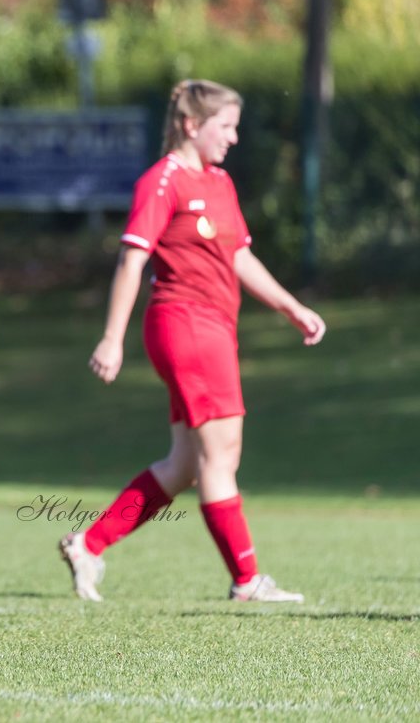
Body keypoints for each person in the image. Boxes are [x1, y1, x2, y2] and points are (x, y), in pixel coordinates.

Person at [60, 79, 326, 604]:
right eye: (224, 127)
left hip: (213, 330)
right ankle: (247, 579)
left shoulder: (220, 183)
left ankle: (88, 544)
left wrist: (290, 307)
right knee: (221, 455)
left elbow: (240, 257)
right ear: (191, 124)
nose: (232, 138)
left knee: (185, 464)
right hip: (186, 325)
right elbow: (133, 259)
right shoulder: (163, 182)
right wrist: (112, 337)